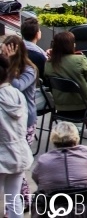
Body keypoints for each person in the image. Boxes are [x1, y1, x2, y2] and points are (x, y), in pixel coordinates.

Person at [2, 36, 37, 204]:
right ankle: (22, 199)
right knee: (16, 163)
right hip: (9, 117)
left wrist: (8, 64)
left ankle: (25, 199)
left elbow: (18, 86)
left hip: (26, 120)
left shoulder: (29, 69)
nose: (3, 54)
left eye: (6, 51)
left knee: (18, 162)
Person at [31, 121, 87, 193]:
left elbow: (35, 177)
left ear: (53, 138)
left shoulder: (44, 159)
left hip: (53, 198)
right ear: (76, 137)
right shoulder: (86, 152)